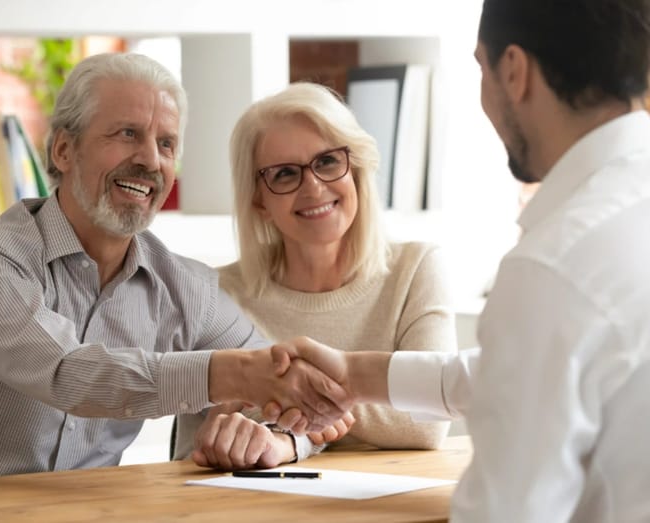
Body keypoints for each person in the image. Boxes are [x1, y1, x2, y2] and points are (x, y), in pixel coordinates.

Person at [0, 52, 353, 485]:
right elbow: (68, 373)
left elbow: (291, 391)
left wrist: (282, 438)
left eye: (166, 143)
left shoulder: (186, 288)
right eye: (127, 133)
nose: (150, 159)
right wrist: (237, 374)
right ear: (64, 151)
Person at [270, 0, 650, 520]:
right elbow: (536, 370)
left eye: (480, 67)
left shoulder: (554, 265)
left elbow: (505, 512)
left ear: (513, 71)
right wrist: (357, 375)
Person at [173, 82, 457, 470]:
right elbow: (191, 450)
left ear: (355, 168)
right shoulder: (214, 294)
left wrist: (291, 425)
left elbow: (428, 420)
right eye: (286, 174)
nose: (313, 187)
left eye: (327, 162)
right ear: (258, 199)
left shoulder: (416, 269)